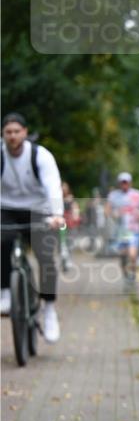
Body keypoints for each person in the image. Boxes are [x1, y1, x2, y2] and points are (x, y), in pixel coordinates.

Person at [0, 112, 65, 342]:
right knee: (2, 242)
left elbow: (53, 187)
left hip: (39, 209)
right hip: (5, 208)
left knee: (45, 256)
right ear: (3, 135)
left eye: (17, 131)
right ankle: (5, 292)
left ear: (25, 133)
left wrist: (57, 215)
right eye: (8, 132)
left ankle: (49, 310)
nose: (13, 136)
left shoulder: (40, 156)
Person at [106, 172, 139, 284]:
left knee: (132, 254)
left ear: (130, 182)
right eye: (122, 182)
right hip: (121, 231)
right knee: (123, 256)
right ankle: (125, 274)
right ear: (119, 183)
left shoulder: (137, 194)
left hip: (134, 229)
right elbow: (107, 210)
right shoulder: (113, 195)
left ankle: (132, 273)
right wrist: (113, 214)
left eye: (126, 182)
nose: (124, 184)